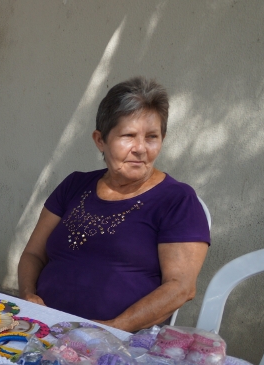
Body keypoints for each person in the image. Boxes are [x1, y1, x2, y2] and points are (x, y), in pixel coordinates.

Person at [17, 77, 210, 332]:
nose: (141, 148)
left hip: (117, 344)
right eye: (128, 135)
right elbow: (33, 254)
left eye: (152, 137)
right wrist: (29, 297)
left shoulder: (177, 200)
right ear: (100, 140)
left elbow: (180, 288)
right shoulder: (75, 185)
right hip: (42, 327)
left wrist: (110, 329)